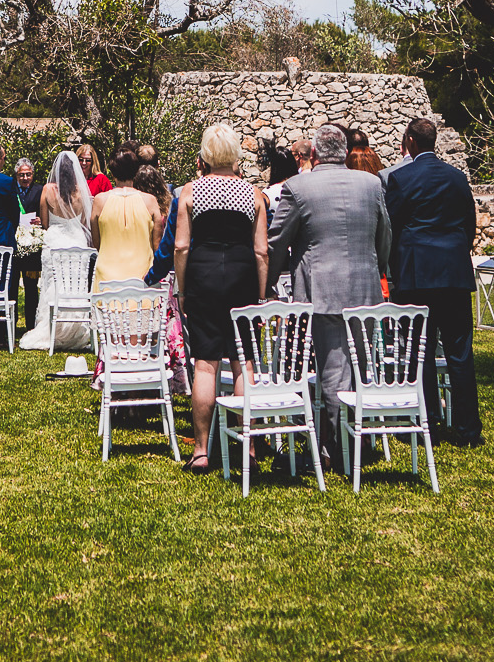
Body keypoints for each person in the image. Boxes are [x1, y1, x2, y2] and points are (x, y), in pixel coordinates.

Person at [268, 123, 392, 467]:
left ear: (317, 153)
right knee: (361, 366)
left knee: (334, 372)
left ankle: (340, 450)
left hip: (322, 288)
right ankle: (360, 438)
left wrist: (269, 281)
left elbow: (277, 241)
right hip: (366, 288)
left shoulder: (298, 187)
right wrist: (377, 266)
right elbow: (385, 234)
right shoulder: (371, 183)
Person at [382, 116, 483, 445]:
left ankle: (429, 424)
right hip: (453, 273)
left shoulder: (400, 179)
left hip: (417, 276)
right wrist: (456, 252)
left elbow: (392, 228)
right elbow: (469, 223)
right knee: (460, 353)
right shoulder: (457, 178)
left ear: (409, 140)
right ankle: (468, 429)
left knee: (419, 352)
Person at [174, 124, 268, 474]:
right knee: (244, 362)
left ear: (206, 156)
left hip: (204, 273)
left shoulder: (191, 191)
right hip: (242, 272)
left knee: (205, 362)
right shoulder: (253, 194)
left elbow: (181, 245)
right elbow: (261, 251)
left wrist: (182, 290)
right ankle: (250, 446)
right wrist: (260, 292)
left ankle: (201, 450)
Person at [19, 150, 94, 350]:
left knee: (53, 285)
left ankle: (51, 328)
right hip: (77, 241)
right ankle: (75, 330)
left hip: (55, 240)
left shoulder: (48, 190)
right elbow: (85, 222)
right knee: (75, 286)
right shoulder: (82, 192)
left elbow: (44, 222)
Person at [91, 151, 159, 287]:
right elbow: (156, 244)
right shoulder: (150, 201)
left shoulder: (100, 200)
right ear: (136, 171)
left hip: (107, 280)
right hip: (142, 279)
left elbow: (96, 242)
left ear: (112, 172)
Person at [11, 155, 43, 331]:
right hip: (14, 245)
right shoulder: (10, 189)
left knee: (31, 288)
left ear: (32, 174)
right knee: (12, 286)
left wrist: (41, 220)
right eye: (22, 175)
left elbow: (45, 212)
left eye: (28, 174)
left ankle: (32, 325)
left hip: (32, 245)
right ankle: (12, 323)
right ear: (16, 175)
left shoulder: (40, 190)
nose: (25, 178)